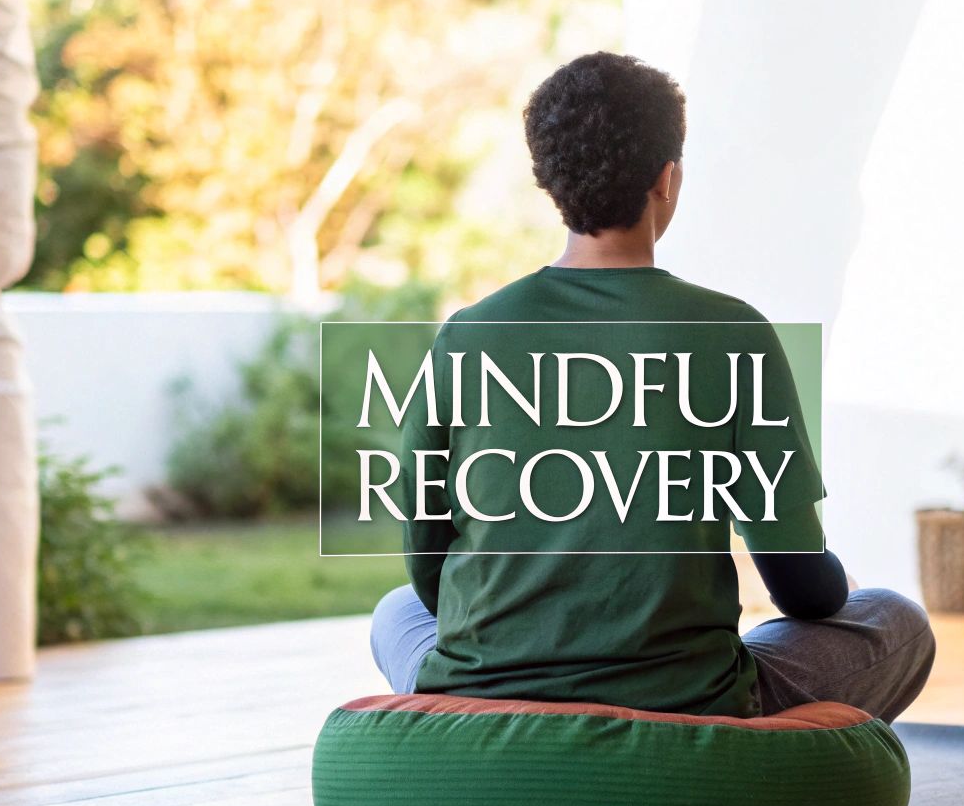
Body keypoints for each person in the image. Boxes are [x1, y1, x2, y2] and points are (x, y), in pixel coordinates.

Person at [369, 52, 934, 721]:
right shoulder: (731, 333)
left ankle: (495, 734)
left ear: (550, 181)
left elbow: (430, 580)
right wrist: (841, 585)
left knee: (395, 612)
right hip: (686, 702)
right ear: (666, 178)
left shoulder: (466, 336)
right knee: (895, 620)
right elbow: (802, 590)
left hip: (482, 693)